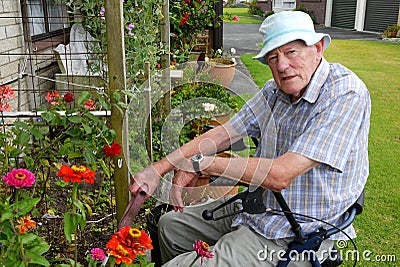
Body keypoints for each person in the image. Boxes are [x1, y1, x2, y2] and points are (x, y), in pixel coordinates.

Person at [129, 11, 370, 266]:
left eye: (291, 52)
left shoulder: (345, 94)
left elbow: (281, 175)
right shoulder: (274, 92)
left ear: (318, 48)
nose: (281, 66)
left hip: (296, 232)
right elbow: (222, 134)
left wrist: (200, 164)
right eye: (273, 57)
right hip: (259, 207)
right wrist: (157, 169)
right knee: (170, 227)